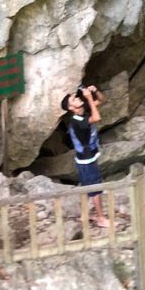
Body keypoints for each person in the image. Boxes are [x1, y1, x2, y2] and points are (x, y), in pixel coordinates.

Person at [60, 84, 109, 228]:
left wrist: (95, 92)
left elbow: (101, 100)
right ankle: (100, 218)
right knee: (95, 188)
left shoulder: (83, 110)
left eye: (75, 97)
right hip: (86, 160)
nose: (77, 98)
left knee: (87, 186)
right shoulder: (76, 121)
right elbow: (97, 117)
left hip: (88, 157)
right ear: (71, 108)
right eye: (74, 99)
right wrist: (88, 98)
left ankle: (84, 215)